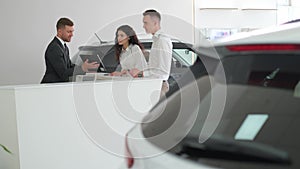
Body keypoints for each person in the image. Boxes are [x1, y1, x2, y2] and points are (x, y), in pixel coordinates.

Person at [41, 17, 99, 83]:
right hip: (50, 87)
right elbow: (63, 73)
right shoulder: (54, 48)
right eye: (69, 32)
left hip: (58, 87)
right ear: (59, 31)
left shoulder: (64, 46)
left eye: (72, 31)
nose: (72, 35)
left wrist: (86, 67)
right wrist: (82, 68)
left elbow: (69, 66)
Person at [130, 9, 172, 95]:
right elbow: (155, 66)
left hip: (160, 86)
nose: (143, 26)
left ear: (155, 23)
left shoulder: (162, 40)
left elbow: (163, 71)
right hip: (154, 85)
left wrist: (141, 74)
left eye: (146, 23)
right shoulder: (157, 40)